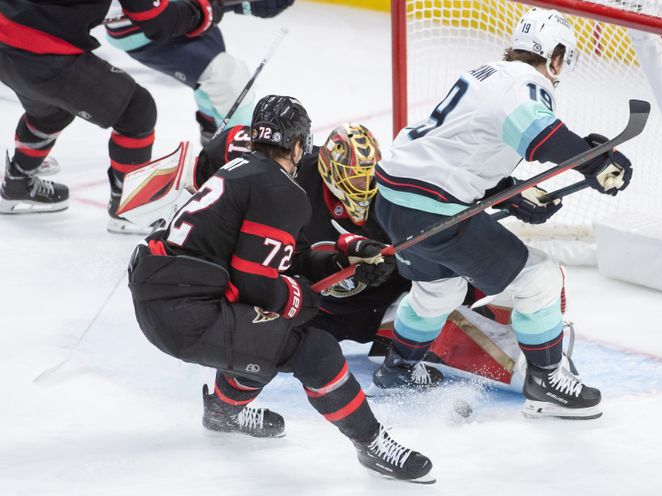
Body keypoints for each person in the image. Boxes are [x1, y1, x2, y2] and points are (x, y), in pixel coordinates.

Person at [127, 95, 434, 483]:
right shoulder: (281, 190)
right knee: (312, 347)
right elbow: (256, 285)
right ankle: (372, 445)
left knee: (263, 337)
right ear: (297, 145)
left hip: (164, 298)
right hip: (188, 313)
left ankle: (222, 414)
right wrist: (306, 300)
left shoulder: (239, 169)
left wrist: (345, 252)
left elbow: (279, 257)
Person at [370, 8, 634, 420]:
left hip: (391, 200)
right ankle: (545, 383)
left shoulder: (486, 73)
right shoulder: (525, 83)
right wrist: (595, 162)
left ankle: (398, 369)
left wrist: (507, 195)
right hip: (435, 209)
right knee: (539, 278)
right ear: (556, 56)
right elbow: (543, 135)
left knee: (439, 291)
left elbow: (460, 146)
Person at [0, 0, 225, 231]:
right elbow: (157, 21)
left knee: (50, 112)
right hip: (43, 51)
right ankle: (129, 209)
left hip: (7, 39)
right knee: (136, 109)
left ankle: (18, 181)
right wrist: (201, 11)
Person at [195, 122, 410, 351]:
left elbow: (417, 260)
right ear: (327, 168)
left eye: (368, 176)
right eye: (354, 177)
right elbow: (233, 147)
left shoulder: (390, 195)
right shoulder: (293, 177)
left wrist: (392, 264)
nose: (363, 186)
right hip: (309, 310)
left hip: (373, 312)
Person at [103, 0, 294, 147]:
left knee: (213, 75)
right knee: (226, 76)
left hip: (176, 14)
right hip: (143, 26)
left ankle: (216, 136)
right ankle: (239, 154)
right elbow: (156, 17)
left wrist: (239, 4)